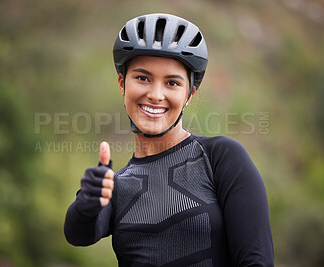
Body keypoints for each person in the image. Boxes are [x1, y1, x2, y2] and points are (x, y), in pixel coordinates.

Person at [64, 13, 274, 266]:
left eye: (172, 83)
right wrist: (87, 203)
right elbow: (78, 234)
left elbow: (256, 261)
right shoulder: (117, 186)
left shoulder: (221, 158)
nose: (155, 94)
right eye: (142, 78)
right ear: (122, 83)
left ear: (189, 94)